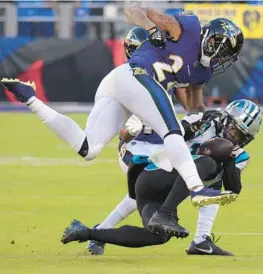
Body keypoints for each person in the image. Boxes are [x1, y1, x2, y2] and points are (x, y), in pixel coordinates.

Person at [0, 9, 243, 215]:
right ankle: (197, 188)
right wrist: (151, 28)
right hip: (136, 75)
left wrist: (207, 115)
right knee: (173, 130)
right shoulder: (187, 28)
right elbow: (132, 12)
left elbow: (195, 106)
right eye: (217, 46)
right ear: (208, 35)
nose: (218, 55)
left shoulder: (202, 71)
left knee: (89, 148)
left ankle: (30, 99)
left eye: (224, 53)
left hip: (122, 84)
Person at [61, 99, 261, 256]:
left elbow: (233, 189)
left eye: (242, 137)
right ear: (226, 120)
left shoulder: (240, 155)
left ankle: (88, 232)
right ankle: (175, 221)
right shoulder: (202, 122)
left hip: (157, 194)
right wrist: (195, 126)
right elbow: (171, 136)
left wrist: (228, 160)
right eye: (234, 131)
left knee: (158, 236)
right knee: (206, 163)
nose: (235, 138)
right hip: (154, 172)